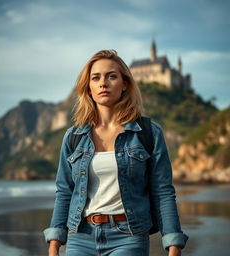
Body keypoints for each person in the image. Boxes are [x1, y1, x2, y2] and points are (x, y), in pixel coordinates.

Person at [44, 49, 188, 256]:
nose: (103, 83)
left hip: (128, 237)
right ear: (89, 88)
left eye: (112, 76)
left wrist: (173, 244)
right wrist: (54, 242)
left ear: (124, 84)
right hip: (80, 237)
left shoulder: (148, 132)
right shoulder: (73, 137)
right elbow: (64, 191)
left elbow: (162, 191)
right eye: (96, 78)